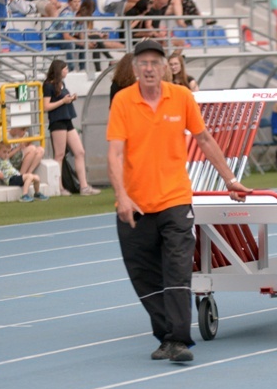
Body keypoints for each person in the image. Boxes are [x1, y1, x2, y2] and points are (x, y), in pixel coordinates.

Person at [106, 39, 251, 362]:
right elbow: (114, 153)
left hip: (175, 199)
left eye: (154, 63)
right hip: (136, 205)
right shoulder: (123, 102)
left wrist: (230, 179)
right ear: (134, 68)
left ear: (164, 68)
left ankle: (179, 340)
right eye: (142, 62)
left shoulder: (182, 97)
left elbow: (204, 139)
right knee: (144, 276)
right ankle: (166, 336)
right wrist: (122, 196)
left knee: (177, 269)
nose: (148, 68)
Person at [43, 59, 101, 196]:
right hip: (57, 121)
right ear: (59, 70)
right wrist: (63, 101)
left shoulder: (62, 84)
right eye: (65, 68)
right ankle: (59, 186)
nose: (67, 71)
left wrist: (69, 99)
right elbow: (46, 106)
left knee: (79, 151)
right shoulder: (48, 85)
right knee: (60, 154)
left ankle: (84, 186)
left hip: (67, 119)